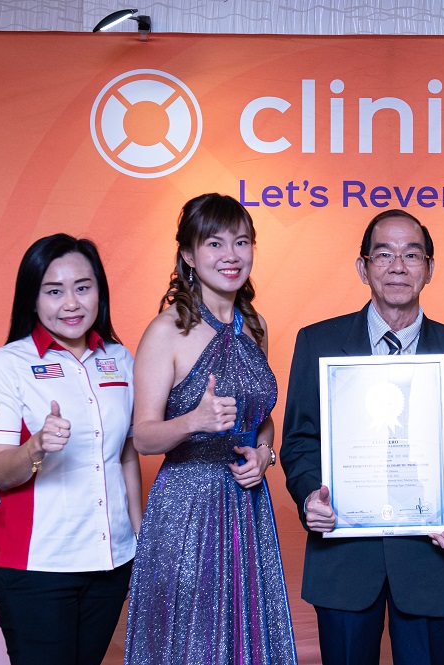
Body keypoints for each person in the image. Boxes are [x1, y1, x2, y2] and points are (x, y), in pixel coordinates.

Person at [279, 209, 444, 665]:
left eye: (411, 254)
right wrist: (308, 497)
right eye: (383, 254)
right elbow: (299, 441)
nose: (397, 266)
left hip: (428, 561)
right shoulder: (317, 343)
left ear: (429, 267)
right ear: (363, 267)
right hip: (342, 558)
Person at [124, 193, 296, 664]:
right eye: (214, 243)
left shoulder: (254, 325)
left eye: (241, 242)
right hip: (187, 509)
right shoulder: (166, 331)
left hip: (246, 505)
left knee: (243, 640)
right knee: (192, 643)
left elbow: (263, 418)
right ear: (188, 255)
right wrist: (194, 421)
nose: (231, 255)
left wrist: (265, 455)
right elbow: (143, 436)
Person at [0, 234, 142, 665]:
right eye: (54, 291)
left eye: (83, 287)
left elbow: (125, 453)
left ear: (99, 292)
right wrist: (37, 445)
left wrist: (141, 539)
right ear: (32, 298)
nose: (71, 303)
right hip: (36, 566)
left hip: (111, 562)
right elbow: (0, 471)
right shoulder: (6, 366)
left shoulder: (120, 360)